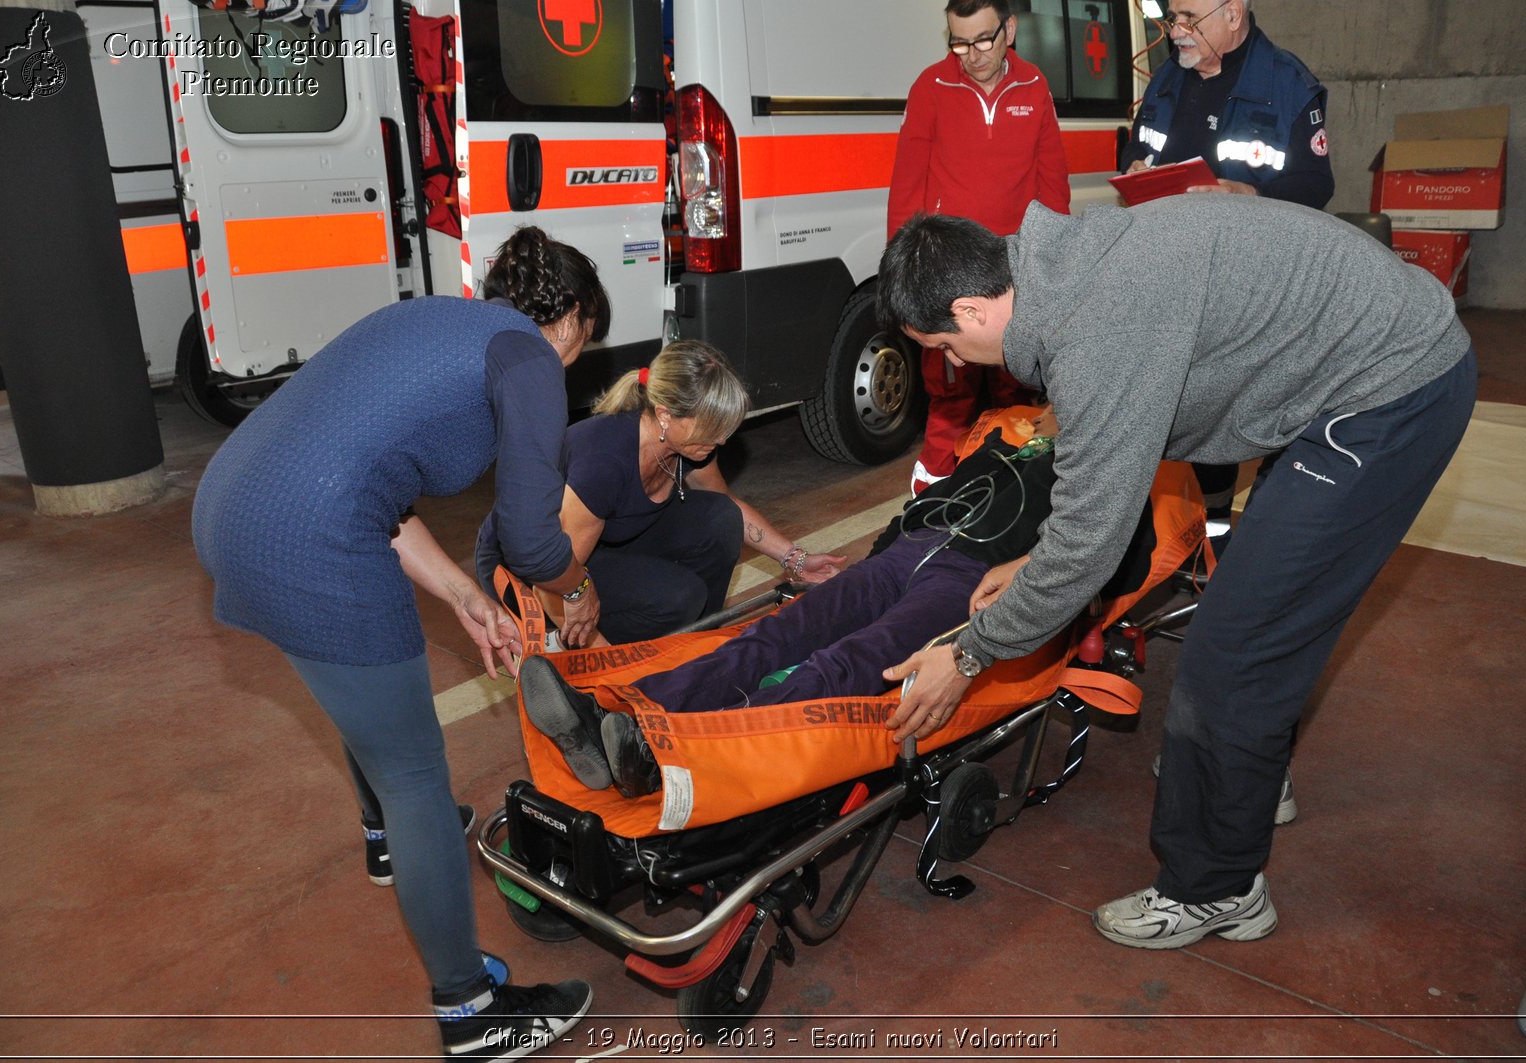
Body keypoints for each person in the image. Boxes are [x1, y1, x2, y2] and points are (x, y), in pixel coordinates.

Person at [874, 198, 1475, 950]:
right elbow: (1111, 465)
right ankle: (1245, 778)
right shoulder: (1061, 264)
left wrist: (969, 652)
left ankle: (1218, 887)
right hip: (1358, 359)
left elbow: (1092, 538)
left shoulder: (1095, 328)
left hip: (1392, 389)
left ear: (971, 307)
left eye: (944, 345)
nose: (953, 363)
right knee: (1261, 608)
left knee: (1231, 655)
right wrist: (1036, 558)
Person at [192, 227, 609, 1059]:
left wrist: (459, 591)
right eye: (581, 346)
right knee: (418, 773)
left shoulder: (431, 319)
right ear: (566, 320)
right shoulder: (528, 357)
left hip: (232, 507)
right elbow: (531, 540)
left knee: (360, 695)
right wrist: (578, 588)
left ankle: (387, 836)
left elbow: (364, 473)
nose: (570, 363)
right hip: (314, 542)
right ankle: (472, 1011)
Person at [519, 407, 1160, 798]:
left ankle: (683, 757)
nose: (1047, 412)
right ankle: (623, 718)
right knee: (773, 637)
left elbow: (1108, 563)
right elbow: (922, 506)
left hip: (972, 579)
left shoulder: (1111, 481)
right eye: (1045, 408)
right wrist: (876, 556)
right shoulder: (998, 446)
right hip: (908, 553)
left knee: (851, 663)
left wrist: (1034, 584)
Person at [1122, 0, 1333, 541]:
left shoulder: (1288, 83)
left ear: (1234, 12)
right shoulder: (1168, 78)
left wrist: (1251, 193)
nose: (1177, 31)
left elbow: (1316, 186)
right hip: (1178, 275)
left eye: (1190, 17)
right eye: (1172, 18)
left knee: (1263, 412)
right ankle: (1206, 538)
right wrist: (1138, 170)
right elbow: (1138, 146)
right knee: (1197, 412)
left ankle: (1264, 540)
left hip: (1256, 286)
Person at [539, 340, 845, 648]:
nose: (722, 440)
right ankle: (565, 646)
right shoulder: (604, 462)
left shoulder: (691, 444)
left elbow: (729, 510)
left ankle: (696, 647)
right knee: (681, 598)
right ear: (665, 415)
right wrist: (601, 656)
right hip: (557, 566)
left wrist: (796, 559)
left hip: (614, 541)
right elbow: (551, 576)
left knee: (722, 519)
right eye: (713, 428)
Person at [887, 0, 1071, 496]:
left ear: (1009, 29)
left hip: (1013, 276)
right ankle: (929, 499)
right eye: (959, 42)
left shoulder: (1034, 87)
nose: (972, 54)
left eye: (984, 39)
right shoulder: (932, 86)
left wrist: (1056, 264)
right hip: (948, 275)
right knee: (948, 393)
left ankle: (1015, 491)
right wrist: (904, 275)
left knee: (1019, 386)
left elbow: (1052, 183)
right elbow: (907, 186)